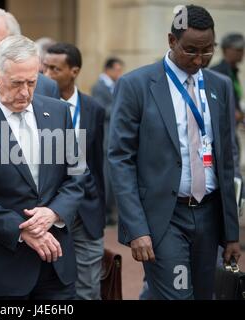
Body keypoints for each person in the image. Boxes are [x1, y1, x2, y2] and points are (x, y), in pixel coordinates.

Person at [108, 5, 241, 299]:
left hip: (209, 214)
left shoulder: (219, 86)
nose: (198, 59)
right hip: (165, 218)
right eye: (191, 50)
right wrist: (136, 228)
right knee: (177, 295)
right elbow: (120, 159)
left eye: (207, 51)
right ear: (171, 41)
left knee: (205, 295)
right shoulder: (137, 85)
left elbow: (227, 162)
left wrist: (231, 233)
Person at [0, 35, 87, 300]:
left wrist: (54, 212)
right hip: (1, 268)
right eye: (17, 83)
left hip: (56, 267)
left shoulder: (59, 112)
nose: (25, 92)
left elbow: (77, 174)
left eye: (32, 82)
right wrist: (22, 230)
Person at [43, 42, 105, 300]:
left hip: (87, 210)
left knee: (88, 287)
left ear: (74, 71)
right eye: (44, 67)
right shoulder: (39, 107)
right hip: (50, 207)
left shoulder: (94, 109)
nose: (47, 74)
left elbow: (99, 163)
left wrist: (100, 206)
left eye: (55, 69)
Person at [91, 57, 124, 226]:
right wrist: (120, 105)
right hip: (104, 139)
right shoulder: (99, 86)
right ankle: (103, 213)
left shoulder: (114, 86)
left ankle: (111, 213)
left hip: (113, 138)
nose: (119, 73)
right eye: (117, 69)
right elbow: (101, 109)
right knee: (104, 178)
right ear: (108, 69)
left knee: (111, 180)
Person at [211, 33, 244, 124]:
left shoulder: (233, 71)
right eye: (237, 49)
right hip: (223, 129)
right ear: (225, 50)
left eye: (242, 49)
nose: (241, 52)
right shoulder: (217, 72)